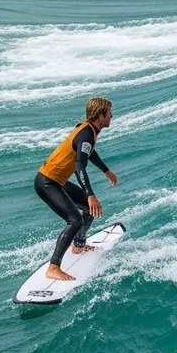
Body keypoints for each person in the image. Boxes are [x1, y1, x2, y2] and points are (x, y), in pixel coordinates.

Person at [35, 97, 118, 281]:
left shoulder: (90, 131)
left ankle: (78, 245)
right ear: (101, 115)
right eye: (109, 112)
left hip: (58, 180)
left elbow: (88, 152)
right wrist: (90, 194)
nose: (112, 115)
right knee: (75, 219)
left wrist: (106, 170)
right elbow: (80, 165)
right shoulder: (86, 134)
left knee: (88, 211)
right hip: (47, 182)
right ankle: (54, 267)